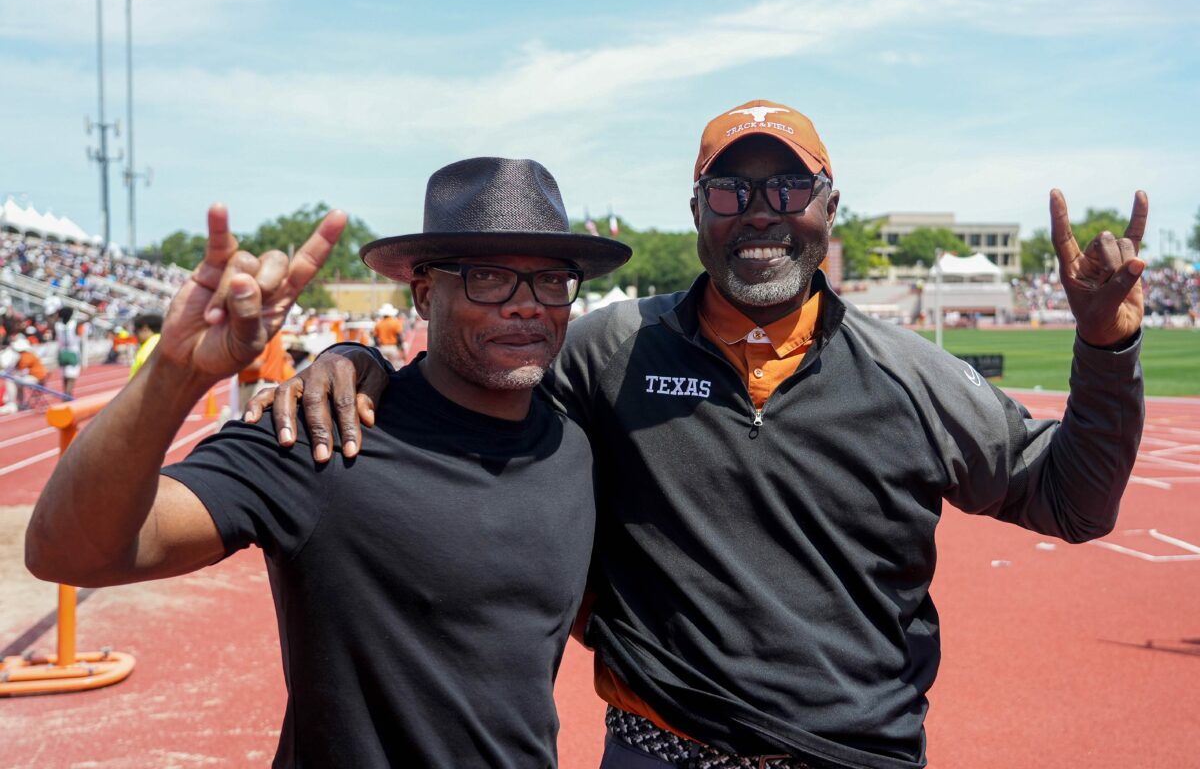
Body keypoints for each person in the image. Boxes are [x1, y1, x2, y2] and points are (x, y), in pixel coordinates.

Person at [260, 101, 1148, 769]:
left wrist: (1107, 347)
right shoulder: (610, 349)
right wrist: (355, 359)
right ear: (697, 210)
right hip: (659, 751)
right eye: (731, 187)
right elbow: (478, 375)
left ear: (828, 207)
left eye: (789, 186)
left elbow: (1071, 499)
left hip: (856, 756)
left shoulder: (910, 373)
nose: (760, 209)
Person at [25, 157, 631, 768]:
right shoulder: (326, 432)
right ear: (425, 294)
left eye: (552, 280)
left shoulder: (574, 447)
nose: (527, 305)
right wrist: (172, 376)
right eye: (489, 278)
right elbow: (69, 553)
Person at [9, 336, 48, 409]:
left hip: (37, 377)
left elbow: (21, 368)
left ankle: (20, 402)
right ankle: (21, 402)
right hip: (36, 376)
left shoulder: (26, 355)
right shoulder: (28, 354)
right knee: (18, 383)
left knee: (15, 382)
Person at [53, 306, 83, 398]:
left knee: (64, 375)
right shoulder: (74, 324)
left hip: (62, 352)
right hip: (73, 352)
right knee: (72, 376)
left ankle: (65, 392)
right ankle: (68, 393)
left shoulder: (57, 326)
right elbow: (89, 319)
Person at [129, 312, 163, 377]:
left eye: (136, 331)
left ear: (145, 329)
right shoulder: (163, 341)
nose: (135, 335)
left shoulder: (149, 348)